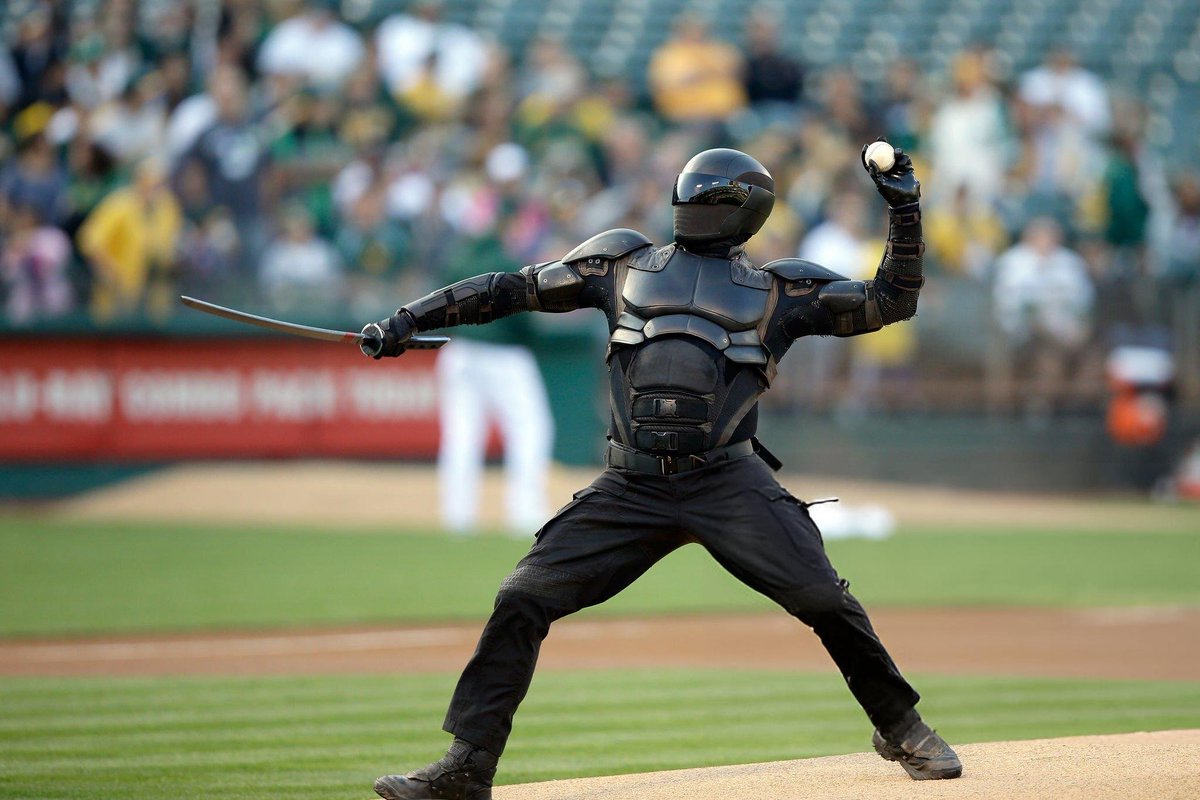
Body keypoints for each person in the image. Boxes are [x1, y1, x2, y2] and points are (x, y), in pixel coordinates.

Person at [358, 145, 961, 799]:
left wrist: (905, 210)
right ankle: (467, 769)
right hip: (631, 484)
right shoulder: (620, 262)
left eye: (704, 195)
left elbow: (890, 301)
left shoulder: (783, 289)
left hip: (728, 482)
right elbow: (512, 288)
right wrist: (409, 319)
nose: (693, 205)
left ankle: (900, 725)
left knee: (822, 599)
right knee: (522, 598)